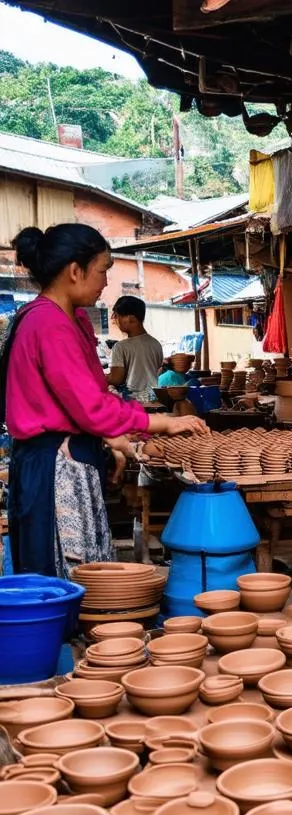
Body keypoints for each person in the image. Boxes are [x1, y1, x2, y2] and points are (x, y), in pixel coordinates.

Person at [0, 223, 208, 578]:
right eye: (103, 270)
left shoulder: (72, 319)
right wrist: (162, 422)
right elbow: (90, 405)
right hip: (53, 466)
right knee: (65, 575)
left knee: (88, 572)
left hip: (70, 456)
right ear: (75, 271)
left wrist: (112, 438)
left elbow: (84, 395)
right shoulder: (47, 324)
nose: (106, 282)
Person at [106, 295, 164, 402]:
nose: (115, 321)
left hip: (133, 400)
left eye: (117, 316)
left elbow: (116, 379)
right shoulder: (156, 344)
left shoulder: (120, 347)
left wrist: (99, 376)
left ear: (131, 319)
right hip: (153, 397)